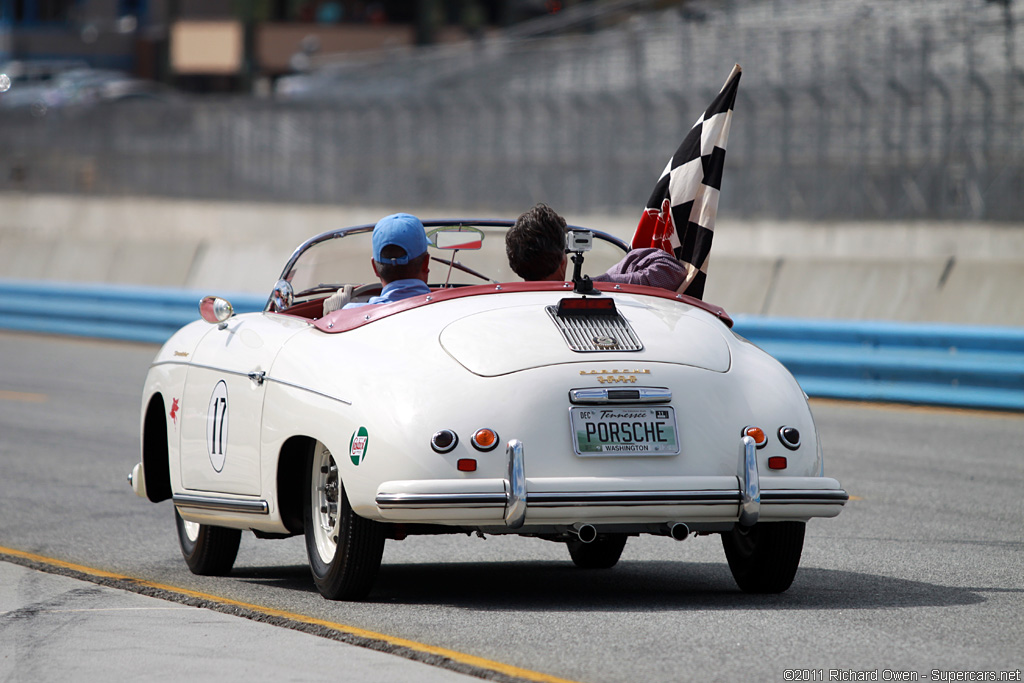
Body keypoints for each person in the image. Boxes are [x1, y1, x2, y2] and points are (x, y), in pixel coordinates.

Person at [504, 203, 686, 290]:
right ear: (562, 261)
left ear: (515, 264)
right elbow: (671, 271)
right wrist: (599, 284)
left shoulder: (504, 307)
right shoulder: (594, 293)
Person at [335, 213, 431, 310]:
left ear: (375, 268)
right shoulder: (444, 311)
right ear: (426, 263)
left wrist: (333, 313)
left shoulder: (350, 313)